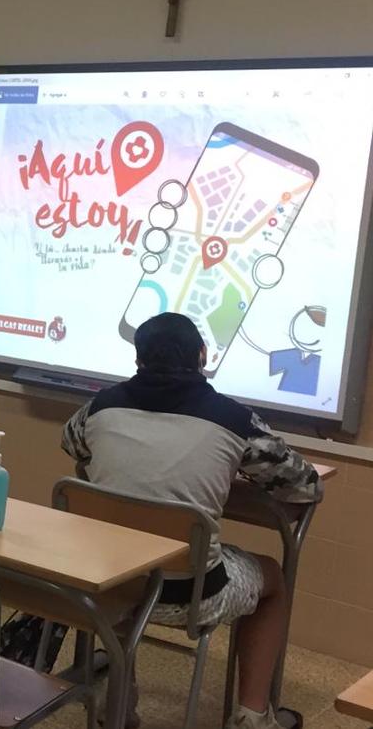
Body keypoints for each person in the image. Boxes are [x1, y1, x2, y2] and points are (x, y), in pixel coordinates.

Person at [61, 312, 322, 729]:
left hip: (110, 582)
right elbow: (305, 486)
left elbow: (72, 444)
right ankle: (253, 717)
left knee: (132, 561)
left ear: (137, 358)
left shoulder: (100, 407)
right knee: (272, 578)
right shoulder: (233, 419)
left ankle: (118, 714)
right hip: (191, 595)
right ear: (202, 356)